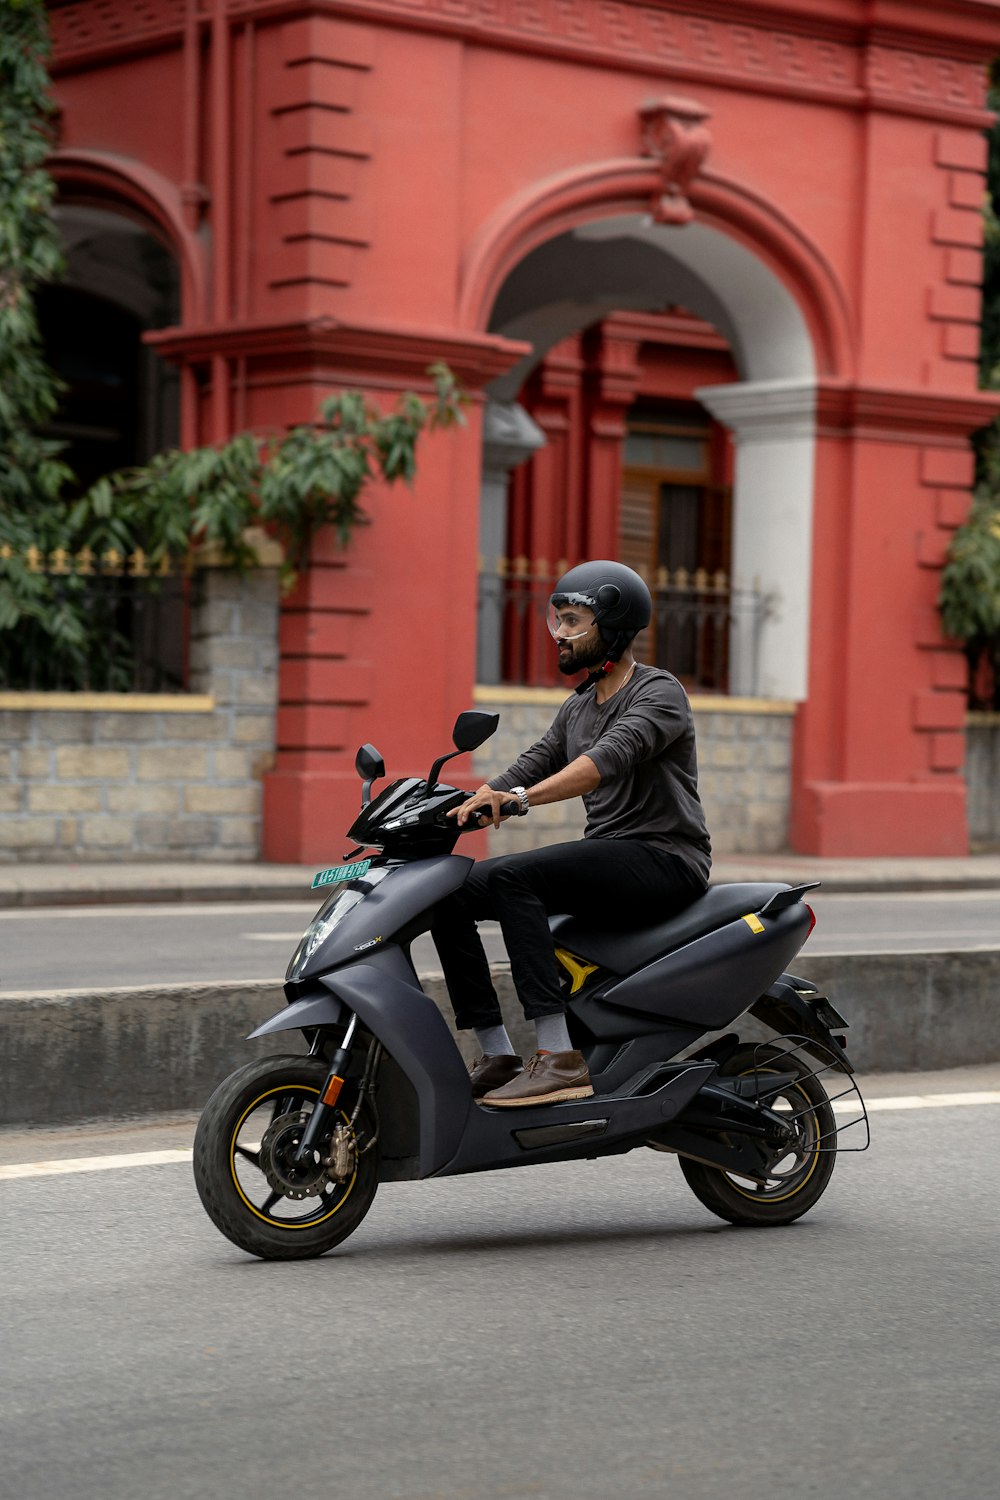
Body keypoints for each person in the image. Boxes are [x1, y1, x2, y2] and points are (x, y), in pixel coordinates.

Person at [430, 559, 712, 1109]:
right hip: (611, 856)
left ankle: (560, 1059)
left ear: (612, 626)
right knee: (446, 892)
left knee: (515, 878)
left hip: (664, 859)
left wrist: (518, 803)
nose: (558, 633)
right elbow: (532, 763)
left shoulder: (658, 693)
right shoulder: (579, 704)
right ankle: (498, 1053)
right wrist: (466, 803)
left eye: (573, 620)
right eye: (555, 620)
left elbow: (603, 761)